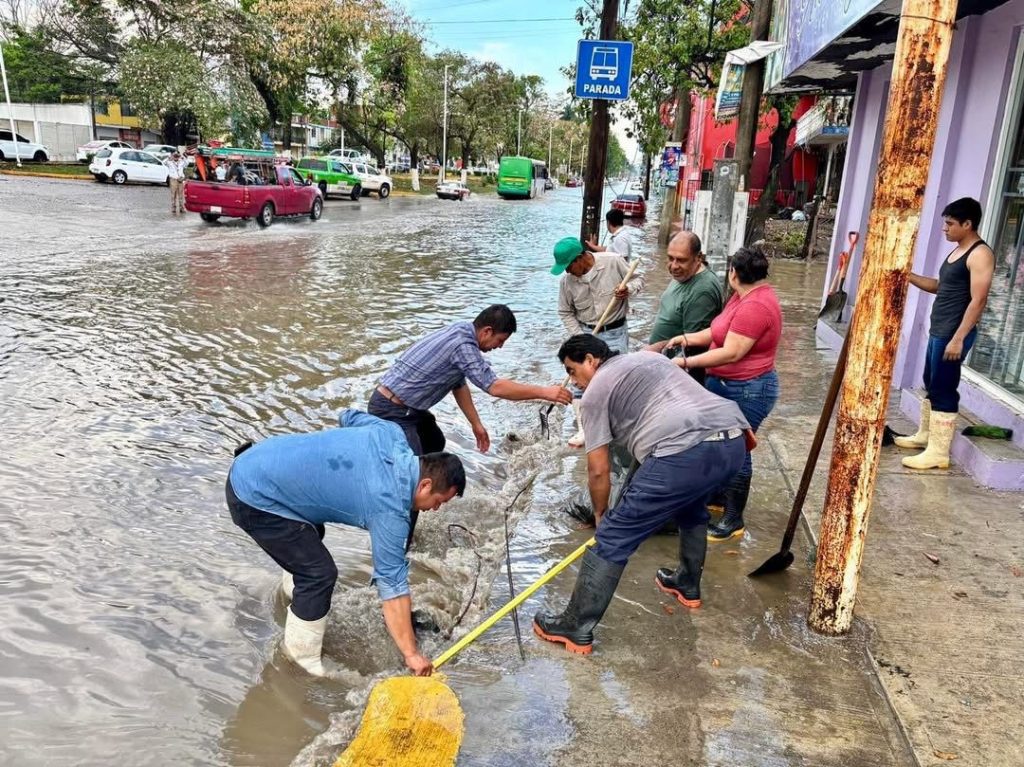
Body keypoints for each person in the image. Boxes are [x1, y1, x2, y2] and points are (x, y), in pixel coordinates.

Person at [532, 336, 749, 655]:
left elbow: (598, 470)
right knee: (692, 510)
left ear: (591, 360)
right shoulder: (652, 359)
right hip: (734, 441)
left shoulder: (595, 393)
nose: (574, 381)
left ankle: (575, 626)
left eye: (572, 370)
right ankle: (686, 583)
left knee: (613, 538)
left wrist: (601, 514)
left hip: (685, 451)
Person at [226, 409, 466, 677]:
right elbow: (392, 584)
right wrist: (411, 654)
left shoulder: (390, 433)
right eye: (439, 502)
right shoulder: (391, 508)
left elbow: (347, 416)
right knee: (319, 574)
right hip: (252, 497)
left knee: (310, 537)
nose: (434, 509)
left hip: (256, 459)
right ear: (425, 485)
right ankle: (298, 661)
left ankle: (296, 597)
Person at [369, 305, 572, 544]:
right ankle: (400, 540)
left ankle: (413, 500)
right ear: (487, 331)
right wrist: (545, 392)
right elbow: (494, 387)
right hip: (393, 410)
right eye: (500, 340)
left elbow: (458, 383)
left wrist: (476, 423)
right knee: (412, 478)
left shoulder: (461, 332)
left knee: (434, 442)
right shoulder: (463, 345)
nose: (499, 347)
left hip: (410, 409)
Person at [665, 245, 782, 541]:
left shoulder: (755, 306)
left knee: (738, 451)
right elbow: (717, 332)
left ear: (733, 273)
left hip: (748, 390)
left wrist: (685, 361)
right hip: (728, 387)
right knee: (720, 446)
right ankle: (719, 498)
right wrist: (686, 338)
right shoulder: (741, 297)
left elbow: (731, 352)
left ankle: (733, 520)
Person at [895, 197, 995, 469]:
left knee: (945, 387)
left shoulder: (979, 254)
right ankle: (926, 435)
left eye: (950, 224)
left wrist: (959, 338)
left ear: (968, 224)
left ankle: (938, 452)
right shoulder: (957, 251)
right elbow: (941, 286)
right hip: (940, 329)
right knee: (931, 380)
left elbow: (978, 300)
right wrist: (909, 276)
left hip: (954, 333)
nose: (945, 229)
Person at [553, 237, 645, 447]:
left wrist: (627, 290)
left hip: (614, 332)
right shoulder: (566, 282)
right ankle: (585, 429)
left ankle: (617, 425)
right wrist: (579, 337)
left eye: (568, 266)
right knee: (578, 382)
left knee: (616, 380)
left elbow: (639, 280)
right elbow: (565, 312)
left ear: (580, 259)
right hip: (584, 331)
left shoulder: (612, 261)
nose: (567, 272)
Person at [645, 231, 724, 386]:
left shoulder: (702, 291)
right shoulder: (683, 275)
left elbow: (694, 342)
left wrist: (653, 349)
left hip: (680, 376)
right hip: (662, 364)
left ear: (698, 258)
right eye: (670, 258)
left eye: (681, 260)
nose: (674, 266)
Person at [164, 151, 187, 215]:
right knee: (173, 195)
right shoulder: (170, 162)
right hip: (173, 180)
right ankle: (173, 208)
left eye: (177, 156)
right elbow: (163, 162)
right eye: (175, 156)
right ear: (173, 156)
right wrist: (169, 157)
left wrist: (183, 157)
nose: (176, 157)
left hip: (180, 179)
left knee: (181, 195)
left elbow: (187, 163)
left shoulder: (181, 162)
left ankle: (181, 208)